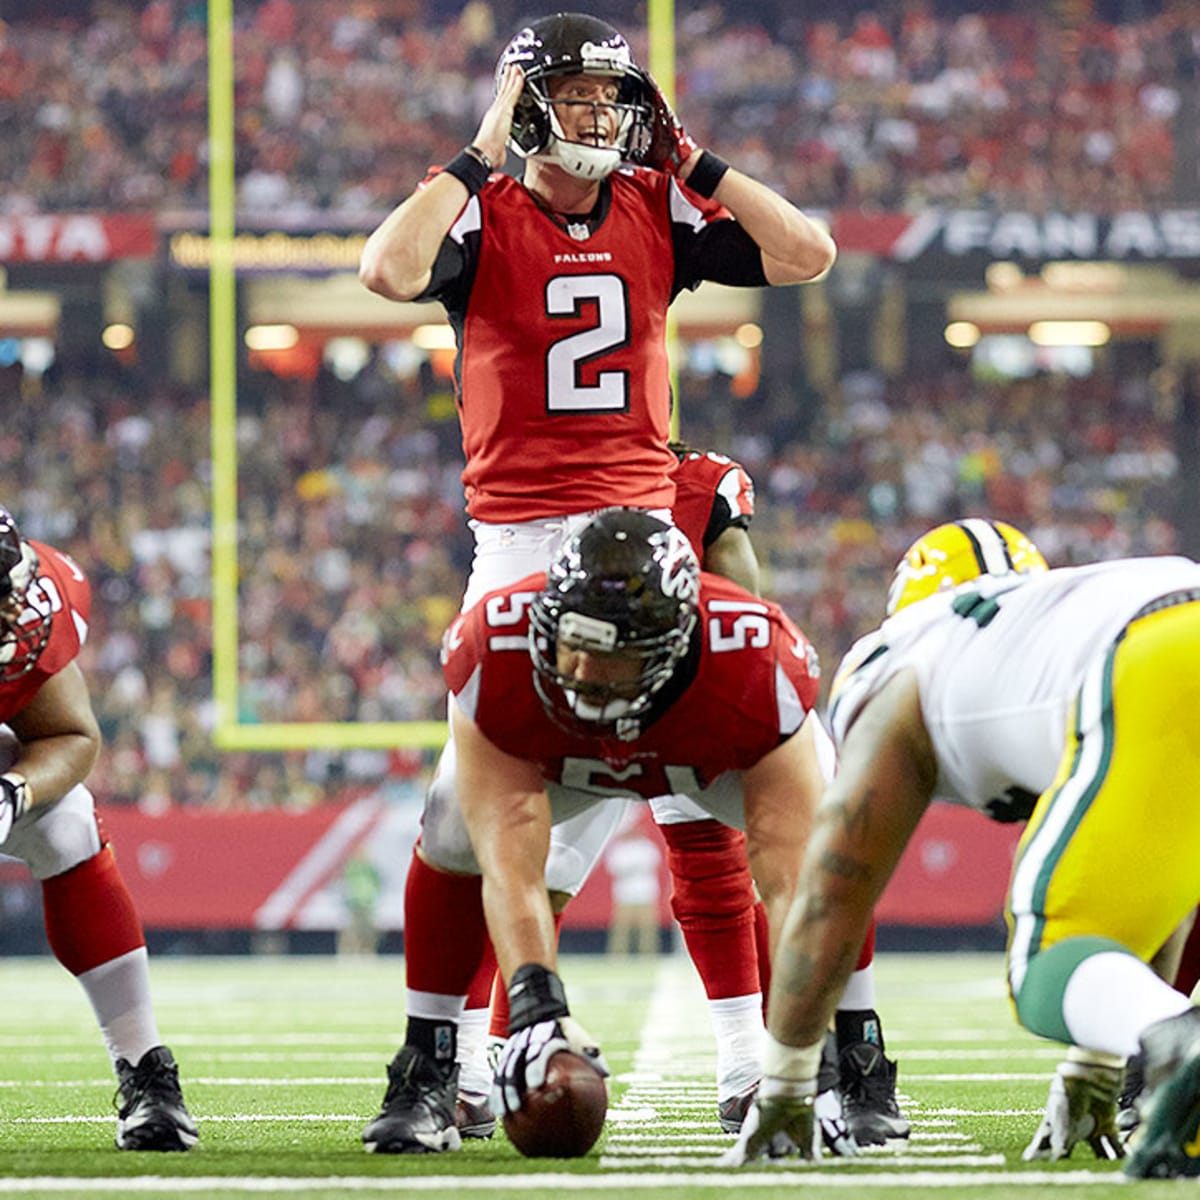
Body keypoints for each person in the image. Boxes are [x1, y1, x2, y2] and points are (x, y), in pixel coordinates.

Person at [357, 9, 835, 1155]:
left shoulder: (654, 204)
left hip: (643, 524)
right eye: (576, 96)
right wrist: (476, 154)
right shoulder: (480, 210)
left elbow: (807, 252)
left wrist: (700, 161)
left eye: (609, 97)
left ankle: (753, 1060)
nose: (601, 116)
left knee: (702, 795)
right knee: (471, 820)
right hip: (522, 539)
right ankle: (441, 1061)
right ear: (526, 104)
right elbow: (387, 269)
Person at [362, 508, 860, 1157]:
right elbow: (511, 864)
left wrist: (796, 1074)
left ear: (674, 642)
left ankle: (856, 1056)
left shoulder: (751, 661)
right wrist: (539, 1002)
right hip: (564, 746)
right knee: (454, 822)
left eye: (612, 654)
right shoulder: (498, 646)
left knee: (838, 845)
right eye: (573, 642)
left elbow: (795, 887)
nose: (584, 670)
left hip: (697, 738)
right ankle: (429, 1063)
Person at [724, 517, 1200, 1180]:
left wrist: (785, 1085)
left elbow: (833, 885)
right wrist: (1098, 1062)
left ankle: (1183, 1039)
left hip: (1155, 655)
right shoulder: (1060, 611)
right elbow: (1160, 875)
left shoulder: (898, 657)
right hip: (1179, 608)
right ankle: (1167, 1036)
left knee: (1045, 963)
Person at [456, 445, 906, 1144]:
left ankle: (830, 1056)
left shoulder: (699, 483)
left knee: (816, 855)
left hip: (682, 698)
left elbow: (744, 608)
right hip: (572, 706)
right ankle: (475, 1062)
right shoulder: (547, 475)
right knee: (508, 865)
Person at [0, 507, 197, 1152]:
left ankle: (147, 1074)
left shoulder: (32, 610)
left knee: (66, 822)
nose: (11, 615)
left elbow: (72, 734)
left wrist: (13, 792)